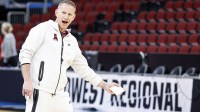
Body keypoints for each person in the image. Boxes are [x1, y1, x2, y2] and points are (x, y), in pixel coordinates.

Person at [19, 0, 120, 111]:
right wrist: (27, 80)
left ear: (73, 17)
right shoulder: (42, 29)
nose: (66, 17)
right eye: (63, 13)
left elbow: (83, 68)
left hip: (61, 95)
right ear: (57, 12)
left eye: (69, 14)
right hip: (40, 91)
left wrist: (104, 85)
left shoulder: (72, 41)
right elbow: (25, 53)